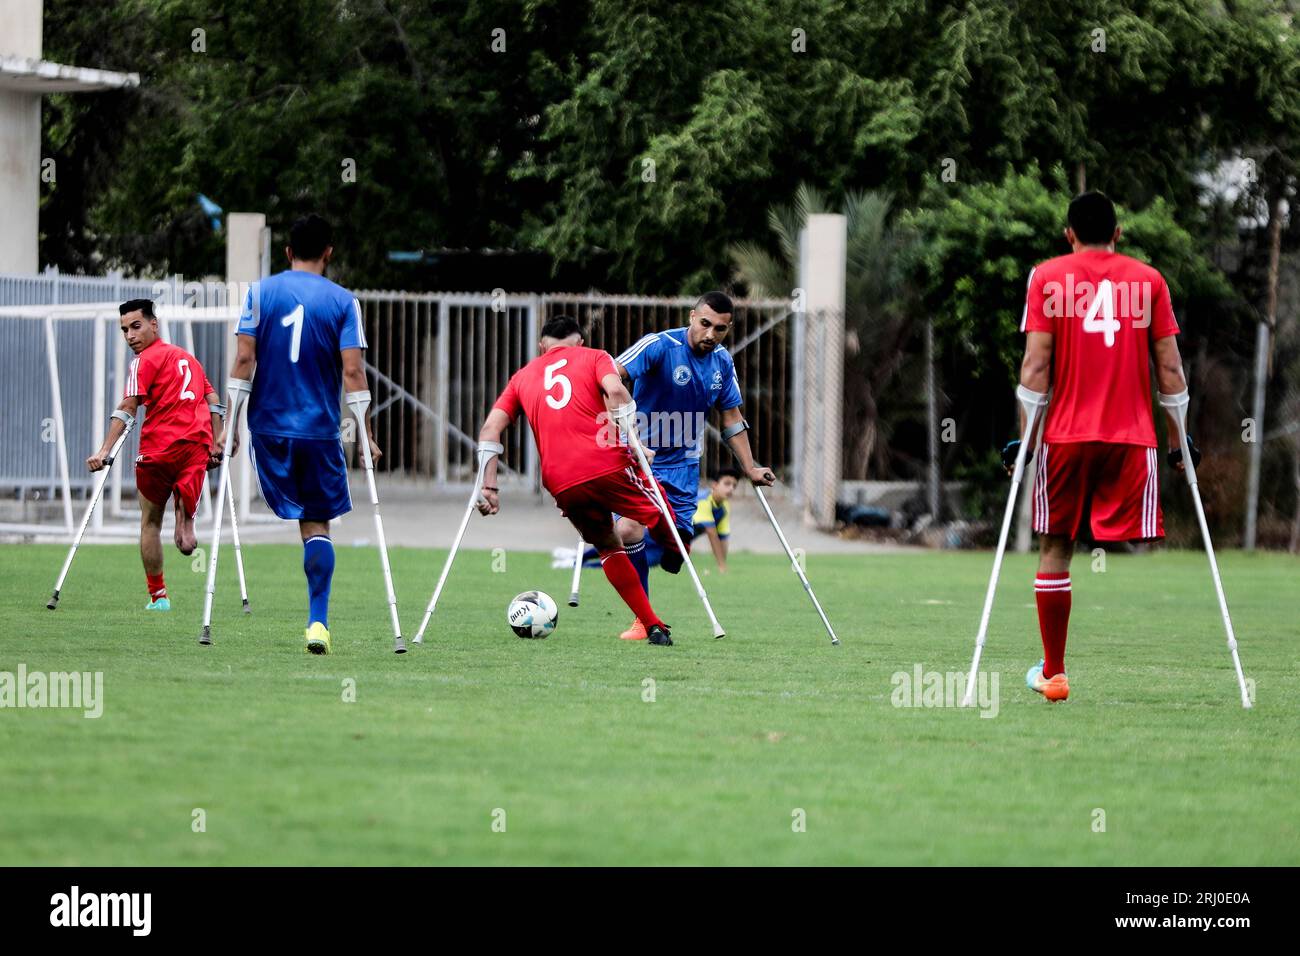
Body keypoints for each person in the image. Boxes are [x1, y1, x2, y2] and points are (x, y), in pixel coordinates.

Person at [1011, 191, 1195, 701]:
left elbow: (1035, 368)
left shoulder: (1046, 277)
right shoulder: (1150, 280)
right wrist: (1180, 444)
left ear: (1068, 234)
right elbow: (1172, 370)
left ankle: (1054, 673)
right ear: (1118, 234)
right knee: (1136, 542)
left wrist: (1024, 440)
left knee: (1055, 547)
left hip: (1066, 436)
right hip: (1131, 438)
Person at [225, 214, 381, 655]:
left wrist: (228, 426)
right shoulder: (343, 301)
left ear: (287, 252)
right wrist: (366, 434)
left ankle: (313, 620)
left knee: (302, 518)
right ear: (329, 253)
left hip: (268, 430)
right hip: (317, 431)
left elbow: (243, 360)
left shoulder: (259, 293)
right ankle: (317, 622)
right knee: (316, 524)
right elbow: (353, 372)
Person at [476, 315, 683, 646]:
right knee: (657, 505)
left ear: (542, 346)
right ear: (579, 343)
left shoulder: (521, 378)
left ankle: (652, 625)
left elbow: (490, 431)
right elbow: (616, 390)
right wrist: (635, 443)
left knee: (607, 545)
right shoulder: (596, 357)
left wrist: (489, 488)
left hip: (560, 480)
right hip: (606, 461)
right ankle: (675, 551)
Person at [610, 292, 774, 640]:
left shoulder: (722, 364)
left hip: (683, 467)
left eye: (720, 329)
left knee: (677, 547)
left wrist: (750, 468)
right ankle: (644, 620)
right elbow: (610, 374)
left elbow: (731, 417)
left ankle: (672, 546)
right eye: (705, 324)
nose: (710, 334)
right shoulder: (658, 346)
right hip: (640, 460)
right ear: (691, 317)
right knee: (628, 530)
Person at [87, 299, 225, 610]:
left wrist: (104, 451)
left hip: (159, 450)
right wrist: (217, 440)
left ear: (154, 324)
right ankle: (186, 509)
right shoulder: (188, 359)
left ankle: (158, 597)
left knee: (150, 522)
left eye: (136, 326)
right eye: (124, 330)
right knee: (188, 481)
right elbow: (213, 399)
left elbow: (128, 407)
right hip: (195, 445)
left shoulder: (142, 361)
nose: (130, 336)